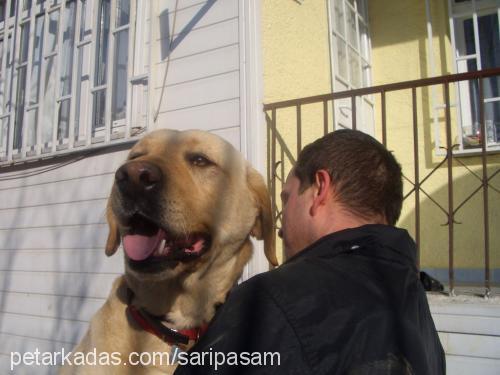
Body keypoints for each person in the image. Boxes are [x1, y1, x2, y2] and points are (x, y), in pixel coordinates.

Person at [174, 129, 446, 374]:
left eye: (287, 197)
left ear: (320, 189)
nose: (280, 228)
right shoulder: (420, 316)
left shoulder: (273, 301)